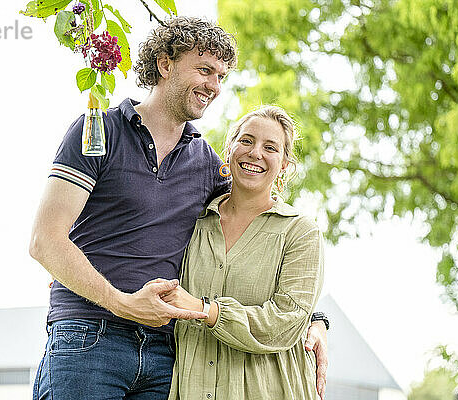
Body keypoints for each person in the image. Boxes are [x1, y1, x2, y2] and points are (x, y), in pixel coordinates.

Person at [30, 16, 328, 400]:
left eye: (221, 76)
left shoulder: (206, 163)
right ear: (165, 63)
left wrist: (316, 319)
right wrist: (119, 302)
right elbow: (45, 241)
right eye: (204, 70)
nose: (214, 86)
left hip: (165, 354)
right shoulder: (97, 131)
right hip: (89, 336)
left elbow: (260, 222)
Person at [159, 106, 324, 399]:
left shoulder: (300, 232)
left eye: (270, 147)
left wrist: (205, 309)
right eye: (246, 141)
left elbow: (286, 321)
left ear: (284, 164)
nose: (255, 153)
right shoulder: (193, 222)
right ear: (230, 148)